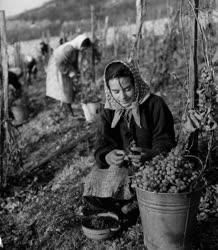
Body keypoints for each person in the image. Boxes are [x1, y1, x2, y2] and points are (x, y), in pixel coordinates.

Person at [82, 59, 176, 225]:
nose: (123, 96)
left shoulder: (155, 105)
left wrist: (151, 154)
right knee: (92, 185)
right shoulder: (109, 111)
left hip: (152, 166)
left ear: (136, 83)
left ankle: (132, 206)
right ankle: (128, 206)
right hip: (124, 170)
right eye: (116, 91)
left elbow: (166, 141)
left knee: (163, 183)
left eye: (127, 89)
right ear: (109, 91)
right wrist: (108, 156)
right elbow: (102, 146)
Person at [46, 34, 92, 115]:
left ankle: (66, 107)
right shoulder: (69, 49)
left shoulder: (76, 49)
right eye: (84, 47)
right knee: (64, 90)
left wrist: (77, 71)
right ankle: (68, 112)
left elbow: (74, 62)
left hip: (65, 67)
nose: (84, 50)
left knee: (69, 88)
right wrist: (70, 72)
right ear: (80, 44)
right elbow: (60, 63)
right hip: (59, 68)